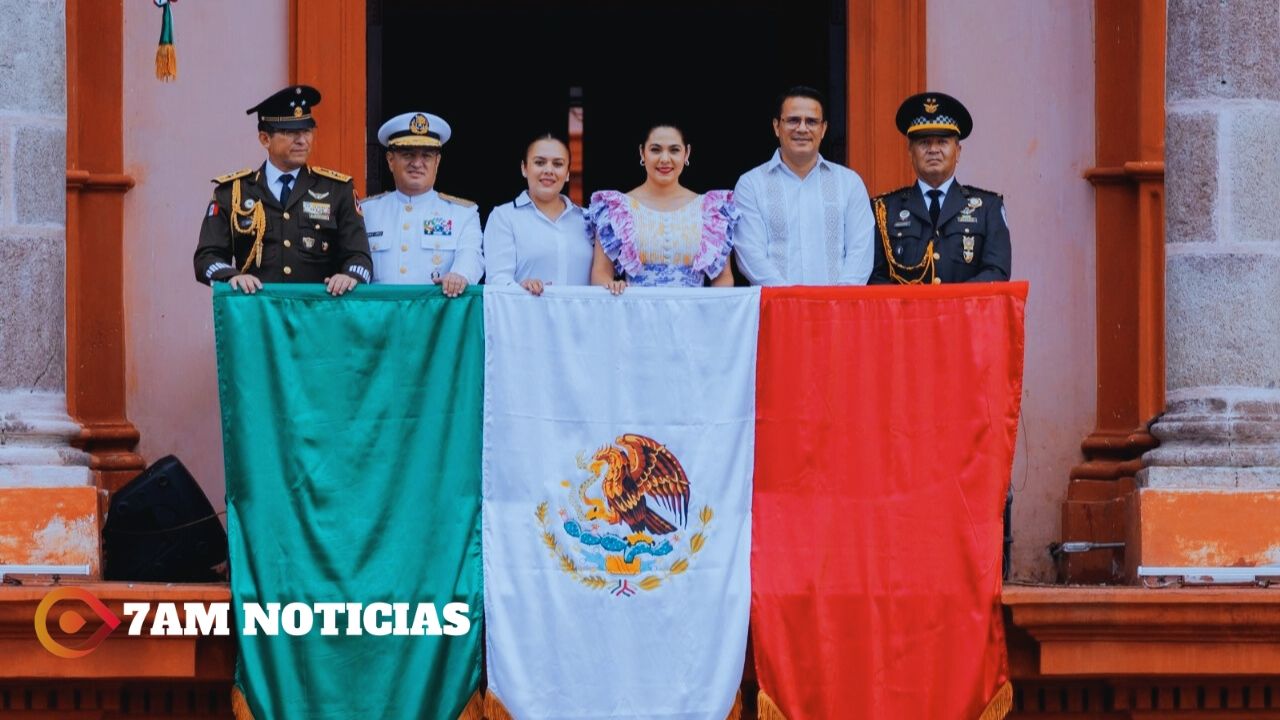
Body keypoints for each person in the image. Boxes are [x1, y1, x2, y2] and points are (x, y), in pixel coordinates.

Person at [193, 85, 372, 295]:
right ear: (265, 139)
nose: (302, 141)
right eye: (290, 132)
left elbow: (360, 259)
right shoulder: (233, 192)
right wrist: (233, 277)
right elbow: (206, 258)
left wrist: (349, 276)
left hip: (316, 317)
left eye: (307, 131)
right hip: (258, 315)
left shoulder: (337, 189)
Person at [732, 86, 874, 285]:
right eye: (793, 120)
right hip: (775, 309)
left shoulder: (849, 183)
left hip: (837, 310)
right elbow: (750, 256)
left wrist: (839, 302)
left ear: (823, 129)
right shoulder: (750, 184)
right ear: (776, 126)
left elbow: (861, 252)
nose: (802, 128)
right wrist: (790, 301)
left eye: (812, 121)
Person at [869, 92, 1011, 284]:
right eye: (924, 142)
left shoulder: (988, 208)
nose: (933, 149)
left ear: (958, 151)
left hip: (964, 314)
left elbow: (997, 272)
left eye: (942, 142)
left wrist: (950, 307)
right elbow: (874, 277)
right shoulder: (884, 210)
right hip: (906, 314)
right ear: (910, 152)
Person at [587, 123, 737, 293]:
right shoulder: (615, 208)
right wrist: (612, 286)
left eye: (674, 150)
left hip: (695, 316)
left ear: (686, 153)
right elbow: (600, 273)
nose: (665, 159)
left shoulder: (711, 209)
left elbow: (723, 277)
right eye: (656, 150)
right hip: (635, 315)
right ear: (642, 152)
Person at [359, 112, 483, 297]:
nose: (417, 163)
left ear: (437, 162)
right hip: (380, 319)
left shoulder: (463, 213)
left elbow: (471, 255)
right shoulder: (366, 211)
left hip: (435, 316)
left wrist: (460, 275)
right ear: (391, 161)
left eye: (426, 156)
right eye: (408, 154)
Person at [483, 134, 591, 295]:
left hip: (581, 319)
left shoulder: (589, 219)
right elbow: (497, 281)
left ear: (568, 173)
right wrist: (521, 287)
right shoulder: (504, 217)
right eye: (539, 162)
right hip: (526, 317)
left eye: (558, 164)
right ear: (524, 168)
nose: (548, 170)